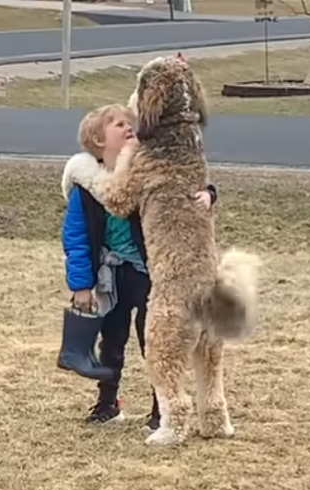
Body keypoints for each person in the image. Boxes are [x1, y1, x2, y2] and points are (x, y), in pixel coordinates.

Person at [57, 104, 218, 429]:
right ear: (98, 140)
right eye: (118, 124)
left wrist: (209, 193)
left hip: (149, 273)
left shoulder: (146, 172)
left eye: (130, 123)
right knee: (111, 340)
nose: (128, 127)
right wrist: (82, 285)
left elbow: (181, 183)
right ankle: (107, 403)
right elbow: (75, 237)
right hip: (111, 274)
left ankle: (161, 411)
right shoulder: (87, 187)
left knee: (154, 342)